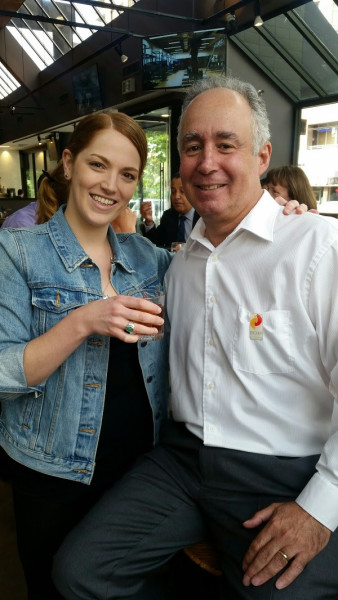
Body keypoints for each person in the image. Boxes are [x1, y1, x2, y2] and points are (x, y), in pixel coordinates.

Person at [53, 75, 338, 600]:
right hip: (181, 463)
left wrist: (320, 506)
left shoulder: (319, 248)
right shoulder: (178, 265)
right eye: (192, 147)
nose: (207, 162)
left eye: (226, 144)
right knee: (80, 572)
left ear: (262, 157)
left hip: (282, 474)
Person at [0, 111, 172, 600]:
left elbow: (215, 265)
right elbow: (3, 372)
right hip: (51, 474)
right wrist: (83, 321)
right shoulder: (18, 250)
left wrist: (286, 213)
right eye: (99, 165)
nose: (111, 186)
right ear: (69, 162)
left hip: (138, 471)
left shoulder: (146, 256)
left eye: (128, 174)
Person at [140, 172, 200, 248]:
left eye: (182, 191)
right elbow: (156, 241)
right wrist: (149, 221)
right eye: (173, 192)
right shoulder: (168, 216)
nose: (176, 196)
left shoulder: (205, 218)